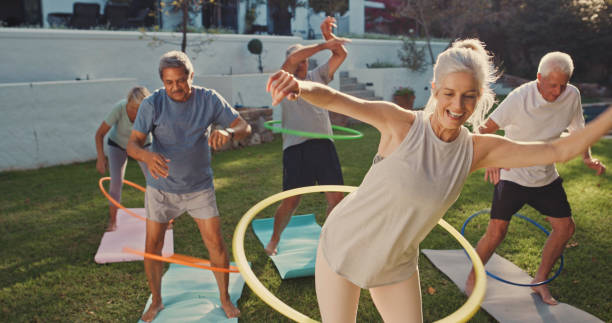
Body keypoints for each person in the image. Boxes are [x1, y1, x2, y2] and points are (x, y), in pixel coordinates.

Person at [265, 39, 612, 322]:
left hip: (396, 263)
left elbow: (558, 149)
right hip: (343, 246)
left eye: (468, 96)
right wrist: (299, 86)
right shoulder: (400, 124)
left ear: (480, 98)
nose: (458, 106)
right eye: (448, 93)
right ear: (434, 89)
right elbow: (337, 99)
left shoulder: (479, 151)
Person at [465, 52, 606, 305]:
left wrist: (587, 157)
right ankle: (472, 280)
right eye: (553, 85)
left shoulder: (571, 95)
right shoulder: (520, 98)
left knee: (565, 228)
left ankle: (539, 280)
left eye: (563, 85)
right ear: (539, 78)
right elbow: (484, 130)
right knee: (497, 232)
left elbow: (579, 130)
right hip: (513, 176)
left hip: (545, 177)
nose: (558, 91)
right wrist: (494, 159)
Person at [127, 50, 251, 322]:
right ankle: (157, 301)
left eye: (181, 81)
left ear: (191, 76)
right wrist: (147, 156)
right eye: (169, 82)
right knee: (153, 247)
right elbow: (132, 144)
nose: (175, 88)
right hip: (161, 187)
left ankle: (224, 298)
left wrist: (229, 132)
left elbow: (245, 126)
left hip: (198, 187)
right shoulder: (152, 104)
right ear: (162, 81)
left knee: (216, 245)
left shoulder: (209, 99)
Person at [264, 16, 351, 256]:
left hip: (323, 144)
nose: (303, 65)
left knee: (336, 198)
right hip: (296, 147)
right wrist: (324, 46)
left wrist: (328, 37)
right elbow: (292, 59)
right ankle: (273, 240)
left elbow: (340, 55)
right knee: (291, 200)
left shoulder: (317, 77)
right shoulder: (283, 80)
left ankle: (329, 242)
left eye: (306, 61)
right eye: (300, 62)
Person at [95, 86, 151, 231]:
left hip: (142, 145)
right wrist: (101, 158)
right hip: (117, 145)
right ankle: (112, 221)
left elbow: (162, 133)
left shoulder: (150, 113)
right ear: (127, 103)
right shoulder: (119, 108)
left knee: (154, 182)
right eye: (132, 107)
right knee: (115, 183)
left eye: (139, 109)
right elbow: (99, 134)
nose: (135, 112)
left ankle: (161, 219)